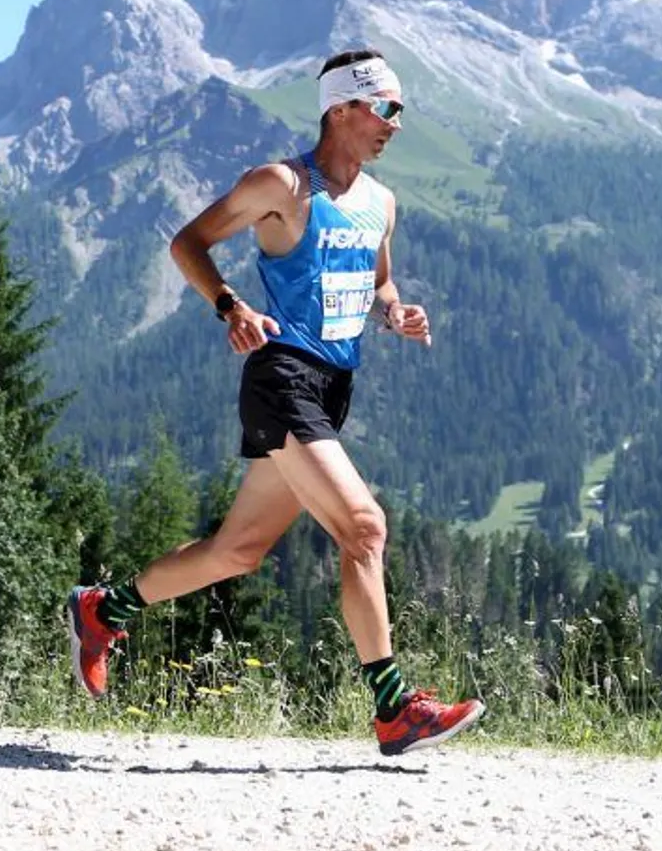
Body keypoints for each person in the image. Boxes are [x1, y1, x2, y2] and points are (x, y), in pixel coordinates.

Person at [65, 47, 486, 756]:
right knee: (364, 527)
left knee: (237, 551)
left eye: (400, 110)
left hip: (332, 387)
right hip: (281, 378)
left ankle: (102, 610)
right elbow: (189, 242)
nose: (396, 124)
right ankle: (394, 709)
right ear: (341, 109)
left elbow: (378, 283)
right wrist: (229, 305)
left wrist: (395, 313)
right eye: (385, 108)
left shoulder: (381, 203)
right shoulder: (282, 185)